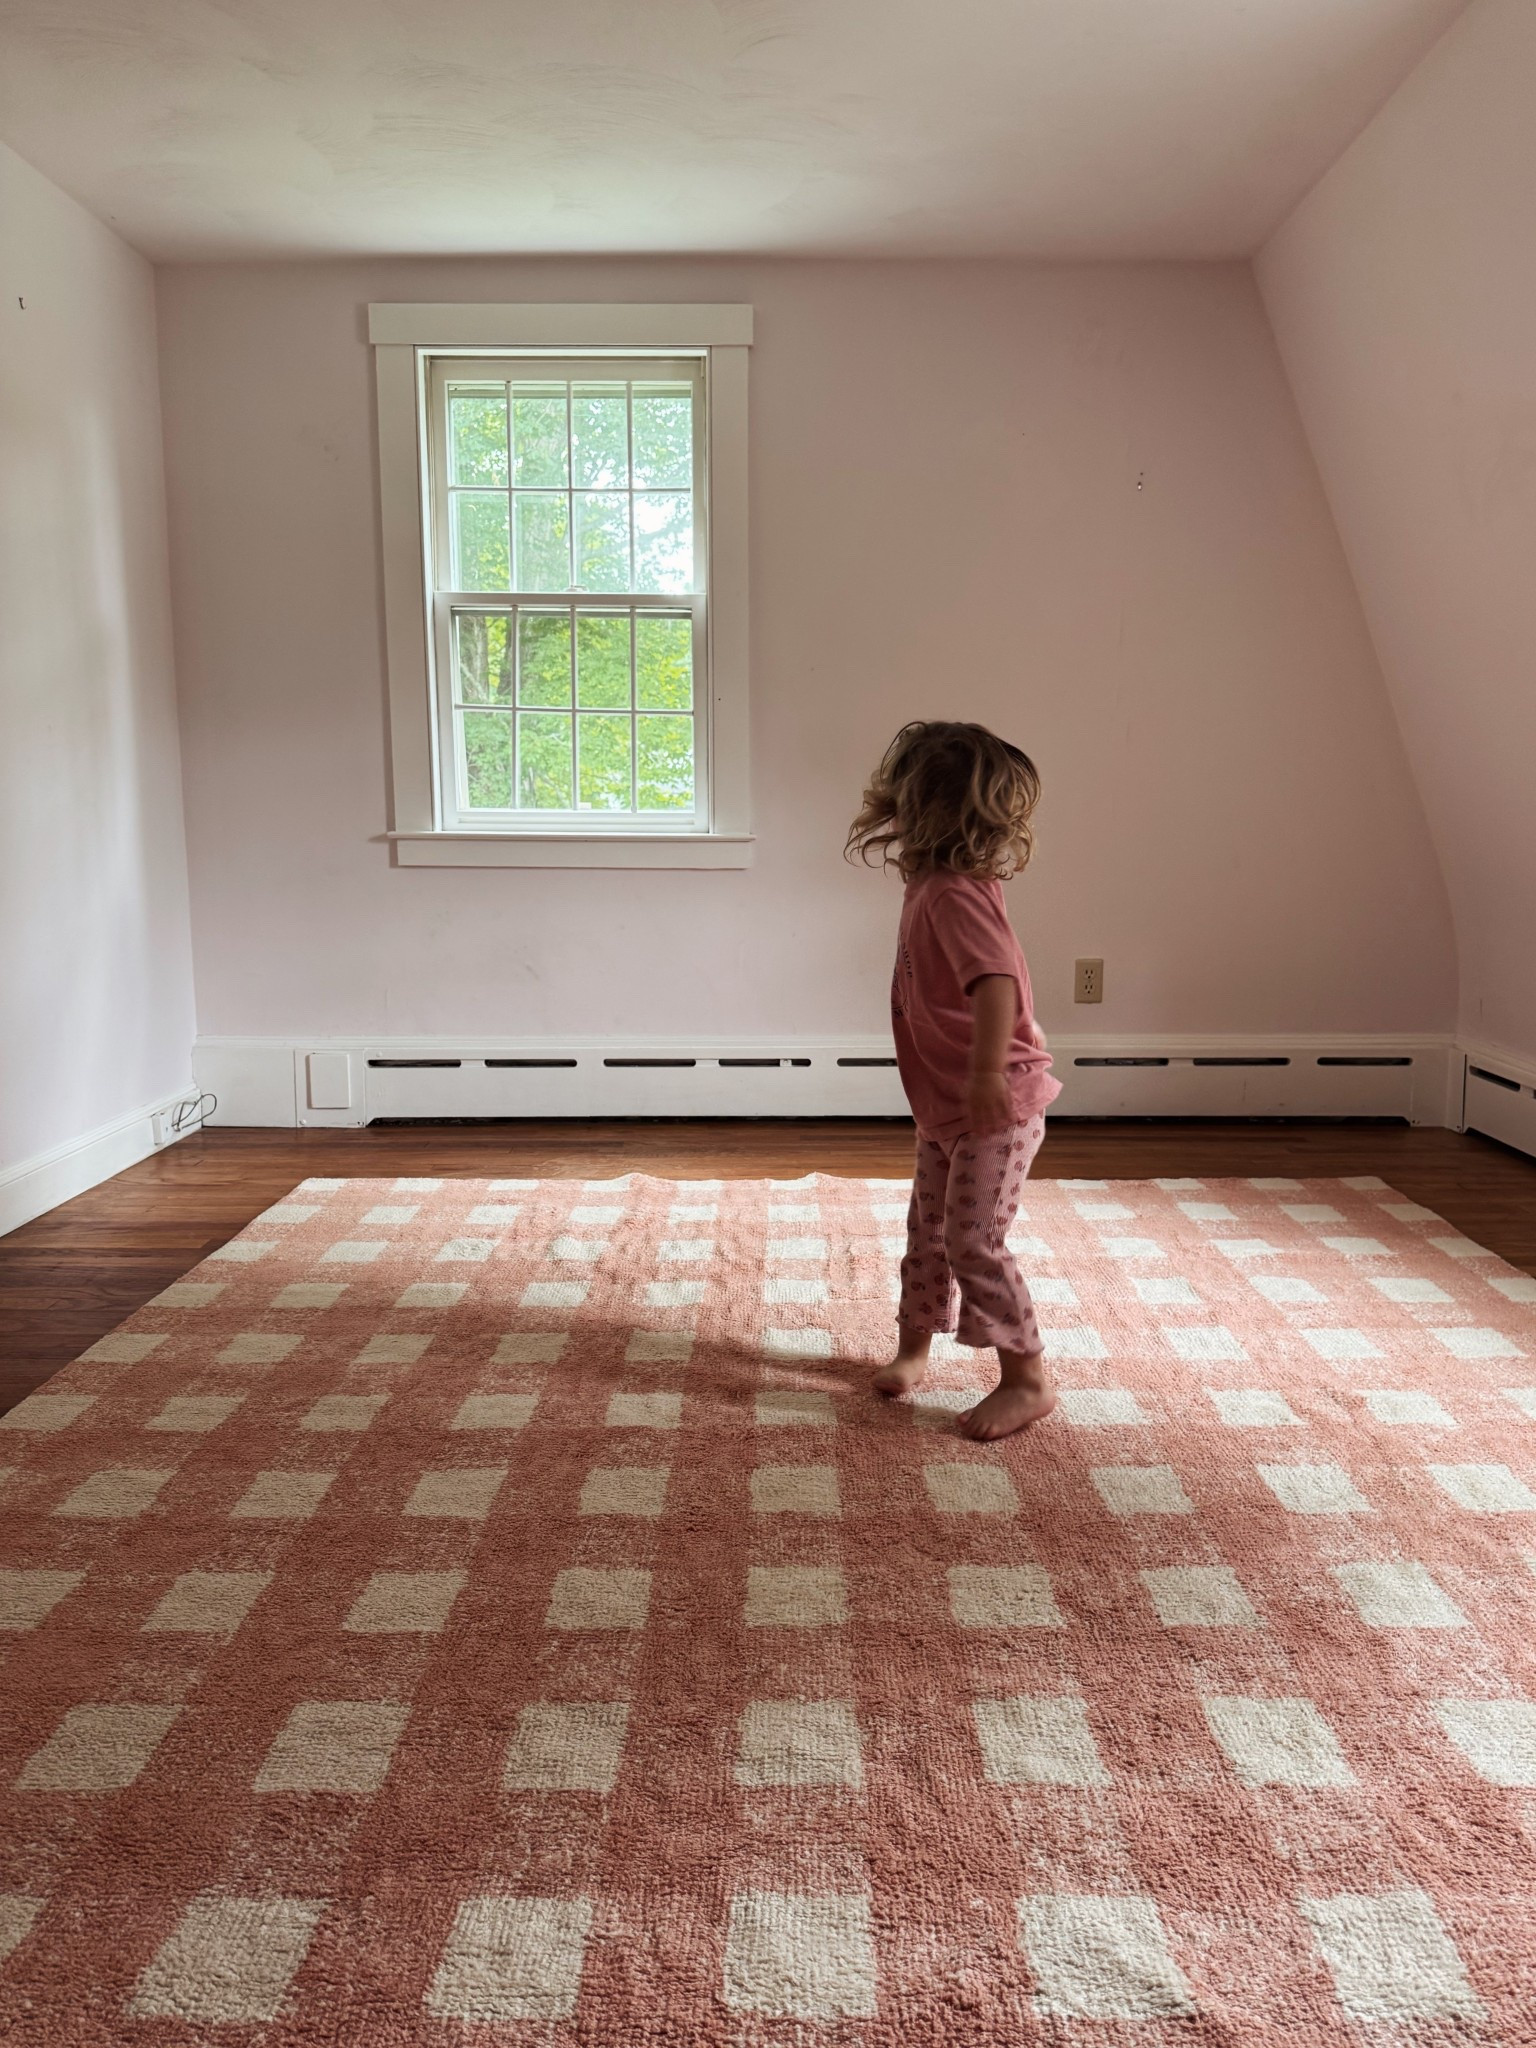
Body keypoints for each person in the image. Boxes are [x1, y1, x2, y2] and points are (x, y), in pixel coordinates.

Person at [846, 721, 1062, 1441]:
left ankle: (1028, 1379)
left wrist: (982, 1074)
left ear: (919, 806)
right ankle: (913, 1350)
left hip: (994, 1104)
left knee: (973, 1240)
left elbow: (996, 982)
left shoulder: (953, 895)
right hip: (948, 1107)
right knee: (928, 1235)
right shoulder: (931, 887)